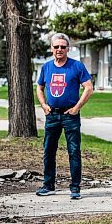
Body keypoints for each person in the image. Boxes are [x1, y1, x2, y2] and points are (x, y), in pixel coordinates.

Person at [36, 33, 94, 199]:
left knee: (74, 151)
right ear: (51, 49)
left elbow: (88, 88)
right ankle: (48, 185)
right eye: (56, 47)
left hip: (70, 115)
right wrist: (44, 105)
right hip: (52, 115)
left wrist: (76, 108)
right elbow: (39, 87)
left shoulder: (76, 66)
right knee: (48, 150)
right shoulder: (46, 67)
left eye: (63, 47)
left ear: (68, 48)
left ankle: (75, 188)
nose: (59, 49)